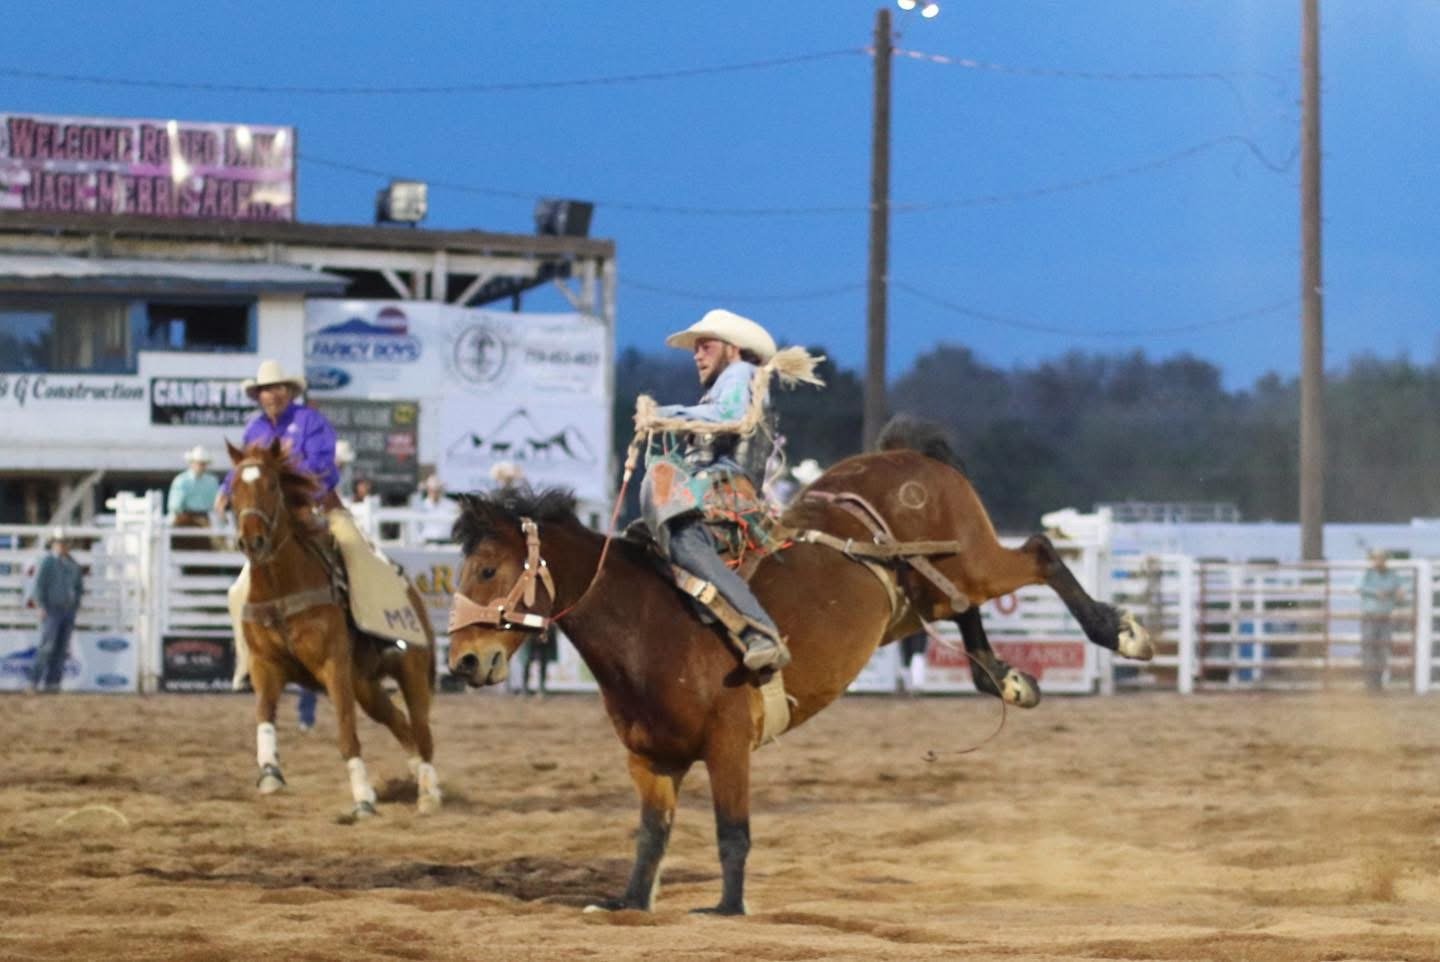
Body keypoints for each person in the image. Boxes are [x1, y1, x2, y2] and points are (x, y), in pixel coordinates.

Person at [216, 359, 430, 696]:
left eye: (277, 388)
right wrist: (226, 490)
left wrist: (305, 497)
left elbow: (323, 467)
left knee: (360, 555)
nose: (271, 395)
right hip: (277, 524)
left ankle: (386, 634)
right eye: (265, 390)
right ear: (258, 395)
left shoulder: (310, 422)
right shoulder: (254, 430)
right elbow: (243, 469)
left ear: (289, 391)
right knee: (239, 591)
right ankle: (249, 659)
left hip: (320, 509)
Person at [639, 309, 816, 672]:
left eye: (705, 346)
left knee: (684, 539)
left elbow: (730, 416)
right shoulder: (728, 382)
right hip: (712, 490)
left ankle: (759, 630)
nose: (697, 354)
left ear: (733, 349)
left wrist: (663, 415)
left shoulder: (741, 374)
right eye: (696, 349)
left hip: (726, 495)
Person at [27, 528, 84, 694]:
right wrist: (41, 606)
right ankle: (34, 681)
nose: (62, 546)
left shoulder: (73, 565)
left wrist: (75, 605)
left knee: (61, 648)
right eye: (59, 543)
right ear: (54, 544)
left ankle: (53, 683)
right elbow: (38, 586)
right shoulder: (47, 562)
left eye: (64, 543)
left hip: (67, 610)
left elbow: (79, 587)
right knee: (47, 646)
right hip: (51, 609)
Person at [1358, 549, 1407, 693]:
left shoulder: (1392, 575)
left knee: (1383, 650)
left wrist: (1399, 591)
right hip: (1370, 615)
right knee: (1369, 649)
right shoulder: (1367, 573)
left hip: (1385, 616)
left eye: (1382, 558)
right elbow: (1358, 586)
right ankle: (1370, 684)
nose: (1379, 561)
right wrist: (1376, 593)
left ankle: (1378, 683)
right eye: (1377, 558)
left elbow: (1402, 587)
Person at [167, 445, 219, 525]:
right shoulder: (181, 480)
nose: (201, 466)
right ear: (191, 463)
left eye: (203, 463)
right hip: (184, 516)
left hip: (205, 517)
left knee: (216, 532)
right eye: (198, 463)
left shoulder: (212, 481)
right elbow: (175, 506)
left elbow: (215, 504)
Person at [410, 473, 458, 544]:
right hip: (427, 542)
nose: (435, 492)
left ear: (441, 490)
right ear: (428, 490)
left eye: (437, 489)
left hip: (447, 542)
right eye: (432, 490)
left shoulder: (451, 505)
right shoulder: (421, 505)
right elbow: (416, 527)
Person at [520, 623, 558, 697]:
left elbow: (552, 624)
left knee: (542, 662)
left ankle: (541, 688)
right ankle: (524, 688)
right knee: (526, 662)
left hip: (543, 636)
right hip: (529, 637)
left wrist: (547, 634)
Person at [896, 629, 928, 695]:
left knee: (917, 656)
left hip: (918, 630)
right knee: (907, 659)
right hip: (905, 631)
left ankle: (916, 686)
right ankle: (908, 687)